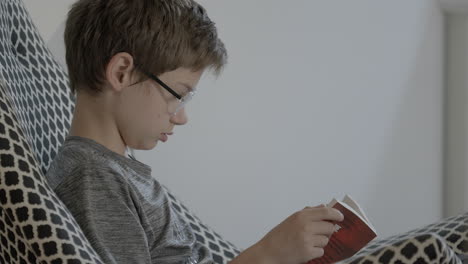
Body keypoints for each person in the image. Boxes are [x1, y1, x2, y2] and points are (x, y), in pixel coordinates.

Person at [45, 0, 344, 263]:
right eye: (178, 95)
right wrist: (268, 254)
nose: (182, 116)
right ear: (121, 72)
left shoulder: (113, 171)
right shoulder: (94, 178)